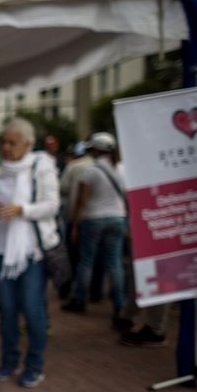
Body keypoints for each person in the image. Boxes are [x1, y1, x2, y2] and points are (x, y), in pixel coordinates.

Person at [0, 117, 60, 388]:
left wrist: (22, 210)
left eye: (12, 143)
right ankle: (9, 361)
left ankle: (35, 364)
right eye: (3, 142)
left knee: (32, 308)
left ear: (28, 143)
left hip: (31, 253)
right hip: (2, 252)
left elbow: (51, 205)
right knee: (9, 310)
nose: (6, 147)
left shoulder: (41, 167)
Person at [62, 132, 127, 318]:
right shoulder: (122, 169)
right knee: (115, 263)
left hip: (93, 219)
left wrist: (75, 225)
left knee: (86, 261)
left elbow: (82, 202)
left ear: (95, 150)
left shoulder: (90, 171)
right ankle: (119, 304)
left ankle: (79, 299)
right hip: (118, 217)